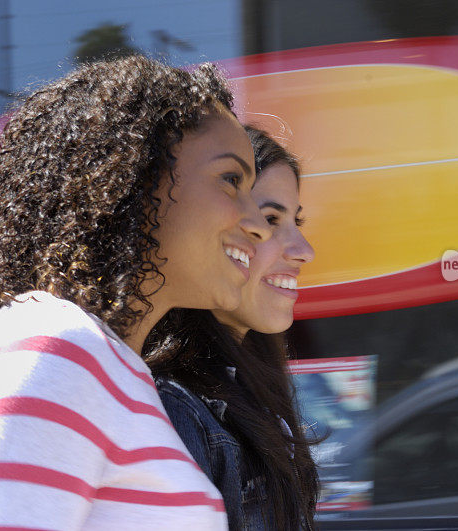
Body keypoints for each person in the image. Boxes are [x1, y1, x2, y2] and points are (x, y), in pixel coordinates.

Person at [0, 55, 274, 530]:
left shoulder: (107, 366)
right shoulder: (52, 347)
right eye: (231, 179)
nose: (259, 223)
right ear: (135, 177)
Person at [144, 126, 320, 530]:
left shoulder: (244, 388)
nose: (304, 250)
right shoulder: (177, 409)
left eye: (296, 220)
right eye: (270, 219)